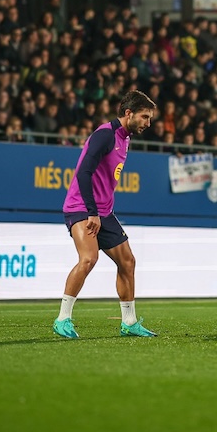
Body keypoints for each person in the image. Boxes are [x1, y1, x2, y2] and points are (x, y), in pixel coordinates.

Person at [53, 90, 158, 339]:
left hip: (104, 211)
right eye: (145, 117)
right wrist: (92, 212)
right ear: (128, 113)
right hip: (81, 207)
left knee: (128, 261)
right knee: (89, 259)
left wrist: (101, 211)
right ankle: (62, 319)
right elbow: (83, 173)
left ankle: (129, 323)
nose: (148, 123)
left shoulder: (125, 137)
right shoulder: (105, 135)